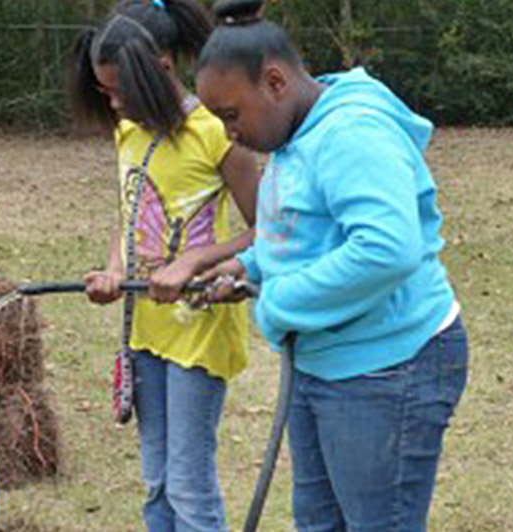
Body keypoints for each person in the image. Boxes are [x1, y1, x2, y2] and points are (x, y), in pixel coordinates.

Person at [194, 1, 469, 531]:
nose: (229, 134)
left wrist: (277, 303)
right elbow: (304, 237)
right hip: (326, 361)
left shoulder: (350, 133)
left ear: (274, 81)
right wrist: (249, 269)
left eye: (231, 115)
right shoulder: (295, 136)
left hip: (388, 366)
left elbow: (385, 248)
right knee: (319, 523)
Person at [69, 1, 260, 531]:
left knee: (188, 486)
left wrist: (197, 260)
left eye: (118, 91)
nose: (111, 104)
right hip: (146, 330)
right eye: (103, 91)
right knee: (156, 483)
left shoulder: (215, 132)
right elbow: (129, 212)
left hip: (199, 330)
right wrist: (113, 270)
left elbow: (270, 229)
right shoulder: (129, 132)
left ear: (162, 67)